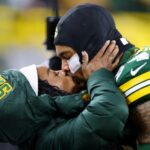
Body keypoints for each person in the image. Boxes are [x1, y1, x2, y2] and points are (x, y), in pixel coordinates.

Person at [53, 3, 150, 150]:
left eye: (67, 57)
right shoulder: (117, 75)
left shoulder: (134, 76)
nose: (64, 68)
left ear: (90, 47)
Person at [22, 41, 129, 150]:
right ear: (44, 94)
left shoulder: (49, 125)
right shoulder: (49, 140)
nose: (63, 71)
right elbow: (110, 112)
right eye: (55, 74)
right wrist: (98, 74)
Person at [0, 63, 89, 145]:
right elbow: (100, 106)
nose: (64, 70)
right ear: (44, 99)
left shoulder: (40, 134)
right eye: (56, 74)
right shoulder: (58, 137)